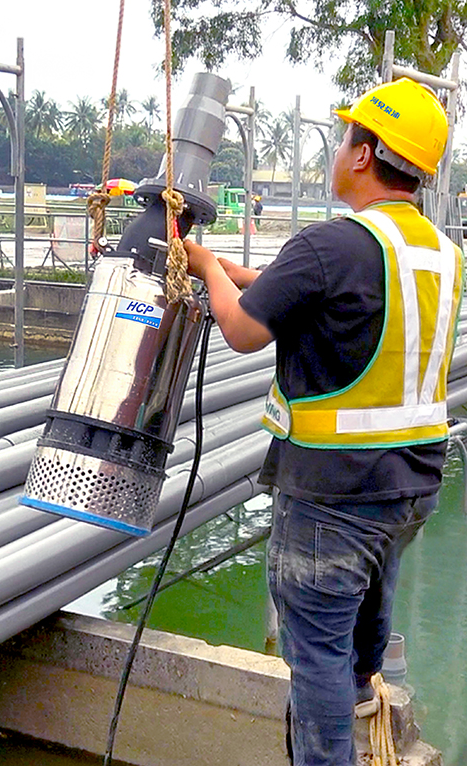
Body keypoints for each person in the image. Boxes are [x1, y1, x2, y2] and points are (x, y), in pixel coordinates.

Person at [184, 77, 463, 766]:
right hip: (406, 489)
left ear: (364, 154)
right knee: (361, 639)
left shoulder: (331, 243)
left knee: (317, 676)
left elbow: (243, 332)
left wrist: (199, 265)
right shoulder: (437, 253)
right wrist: (231, 270)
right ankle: (373, 713)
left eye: (345, 140)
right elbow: (323, 292)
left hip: (330, 500)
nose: (337, 151)